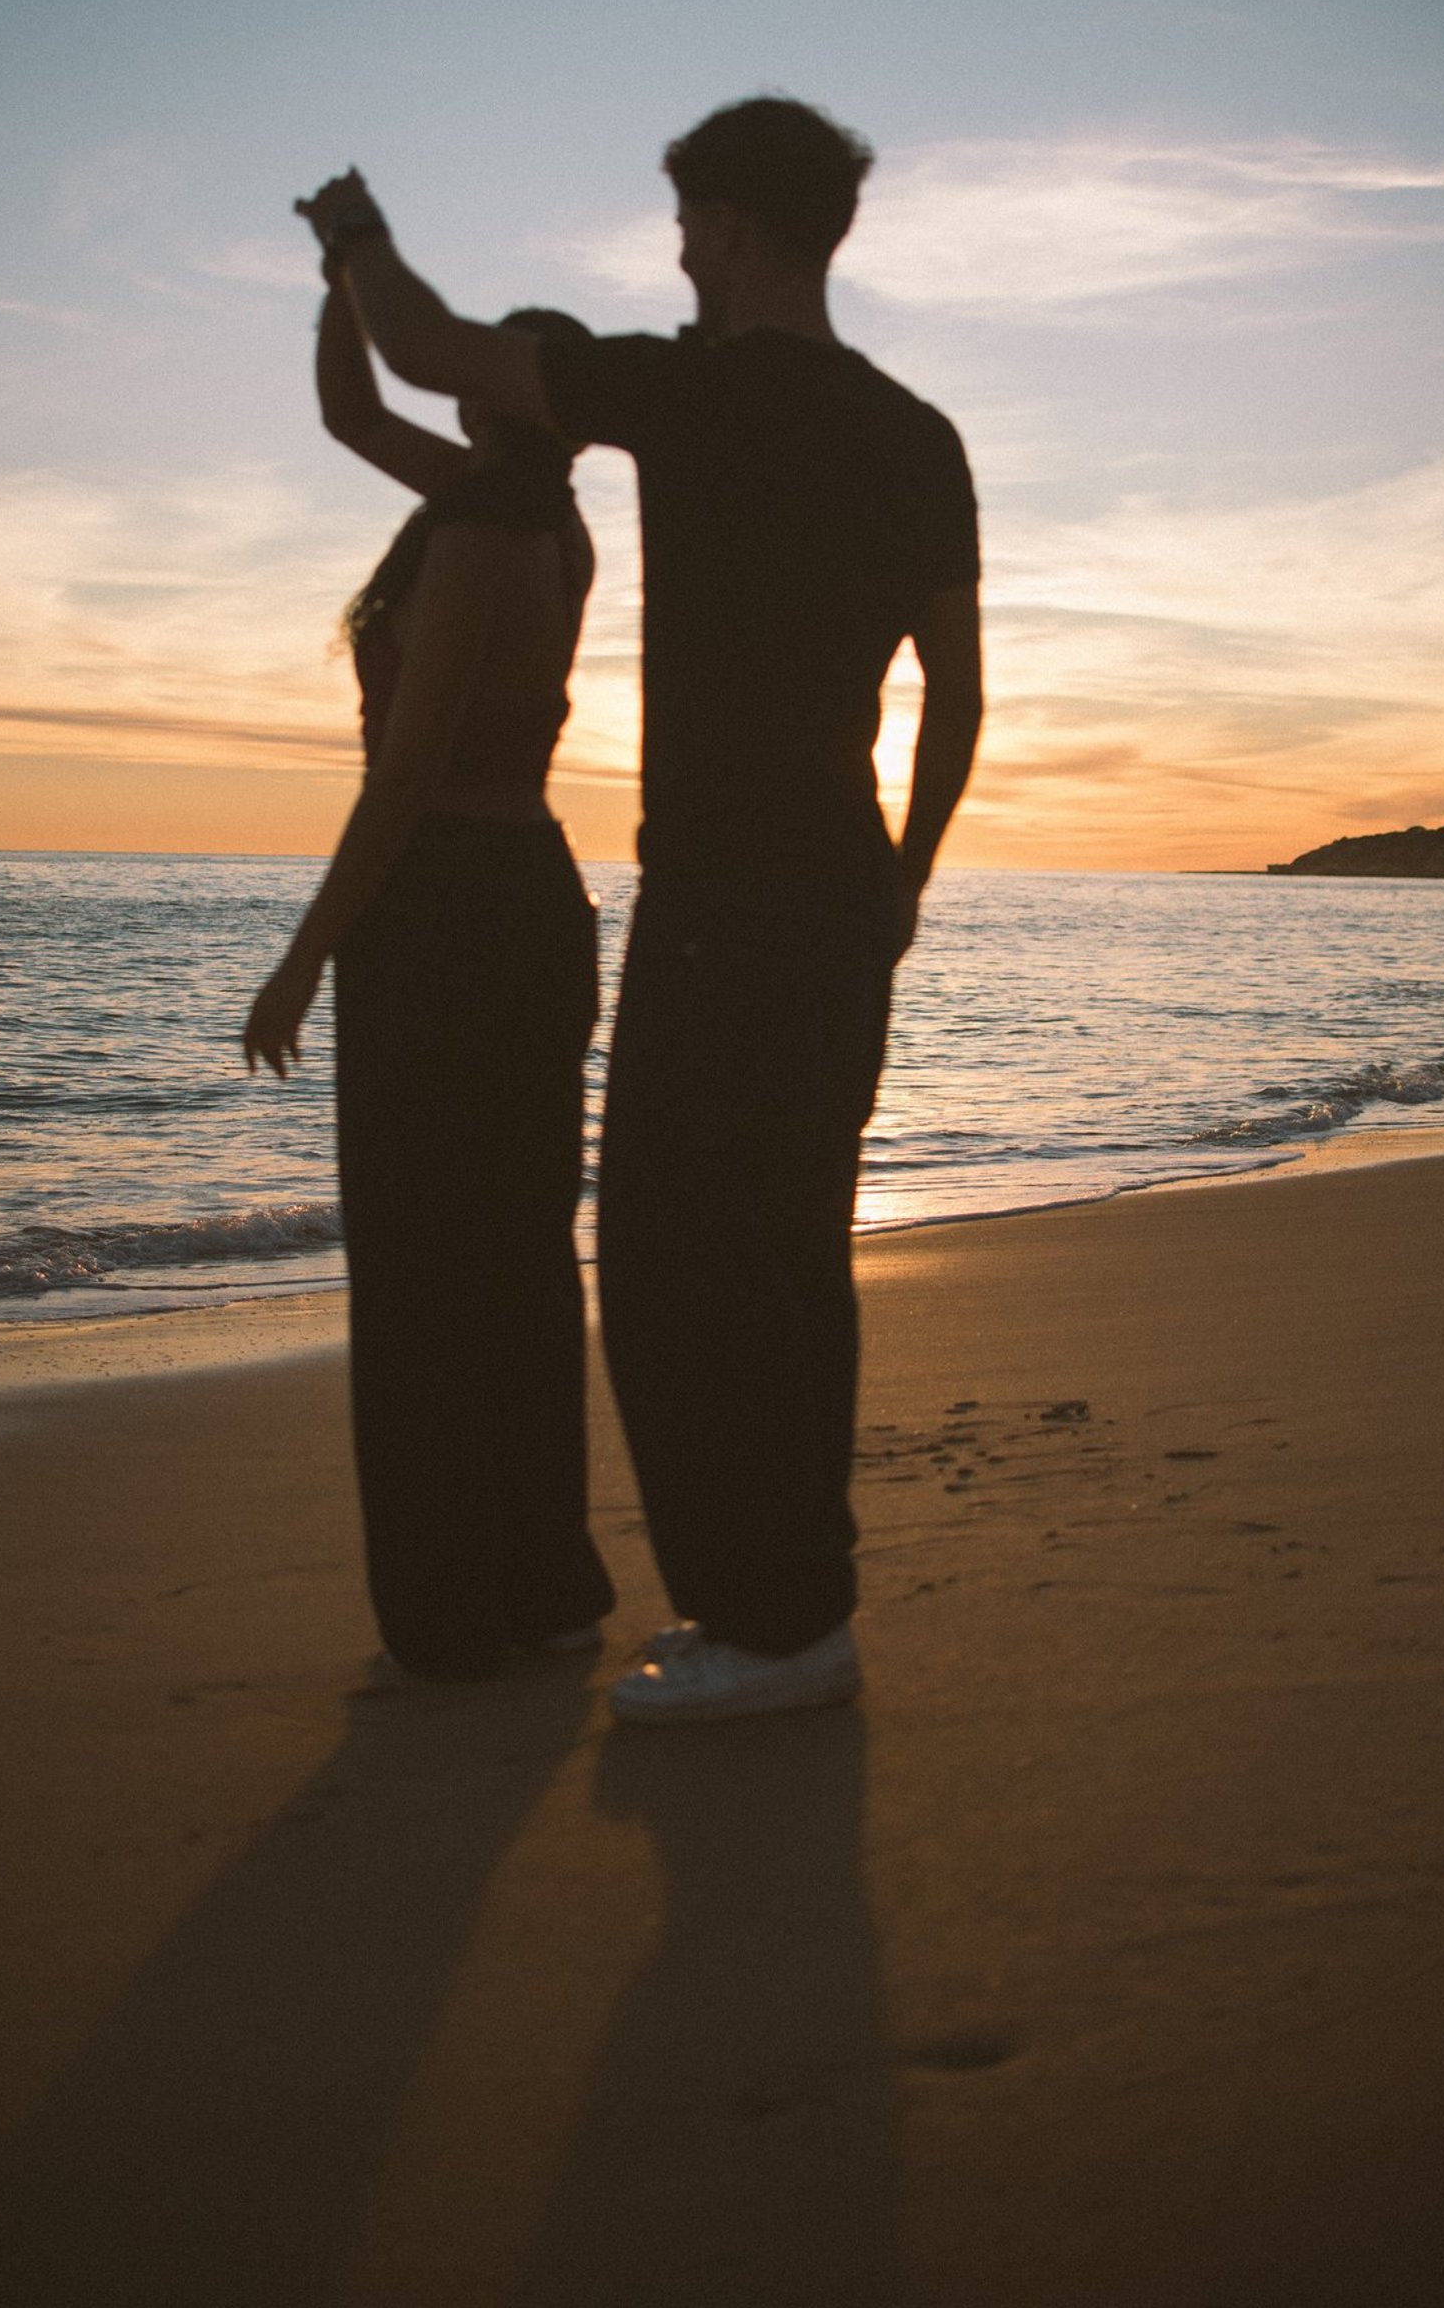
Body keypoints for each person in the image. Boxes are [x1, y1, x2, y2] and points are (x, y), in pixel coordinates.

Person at [301, 96, 983, 1724]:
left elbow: (430, 348)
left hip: (722, 900)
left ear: (736, 228)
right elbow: (955, 700)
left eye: (689, 225)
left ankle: (768, 1623)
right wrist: (902, 885)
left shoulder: (682, 394)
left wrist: (349, 233)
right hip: (838, 890)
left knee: (677, 1270)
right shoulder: (918, 435)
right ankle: (788, 1605)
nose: (678, 254)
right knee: (790, 1257)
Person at [242, 275, 613, 1681]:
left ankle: (457, 1614)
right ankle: (541, 1583)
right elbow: (348, 407)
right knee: (514, 1261)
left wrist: (302, 956)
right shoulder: (537, 517)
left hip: (450, 911)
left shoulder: (476, 538)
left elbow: (407, 781)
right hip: (527, 904)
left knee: (422, 1276)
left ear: (505, 397)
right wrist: (341, 282)